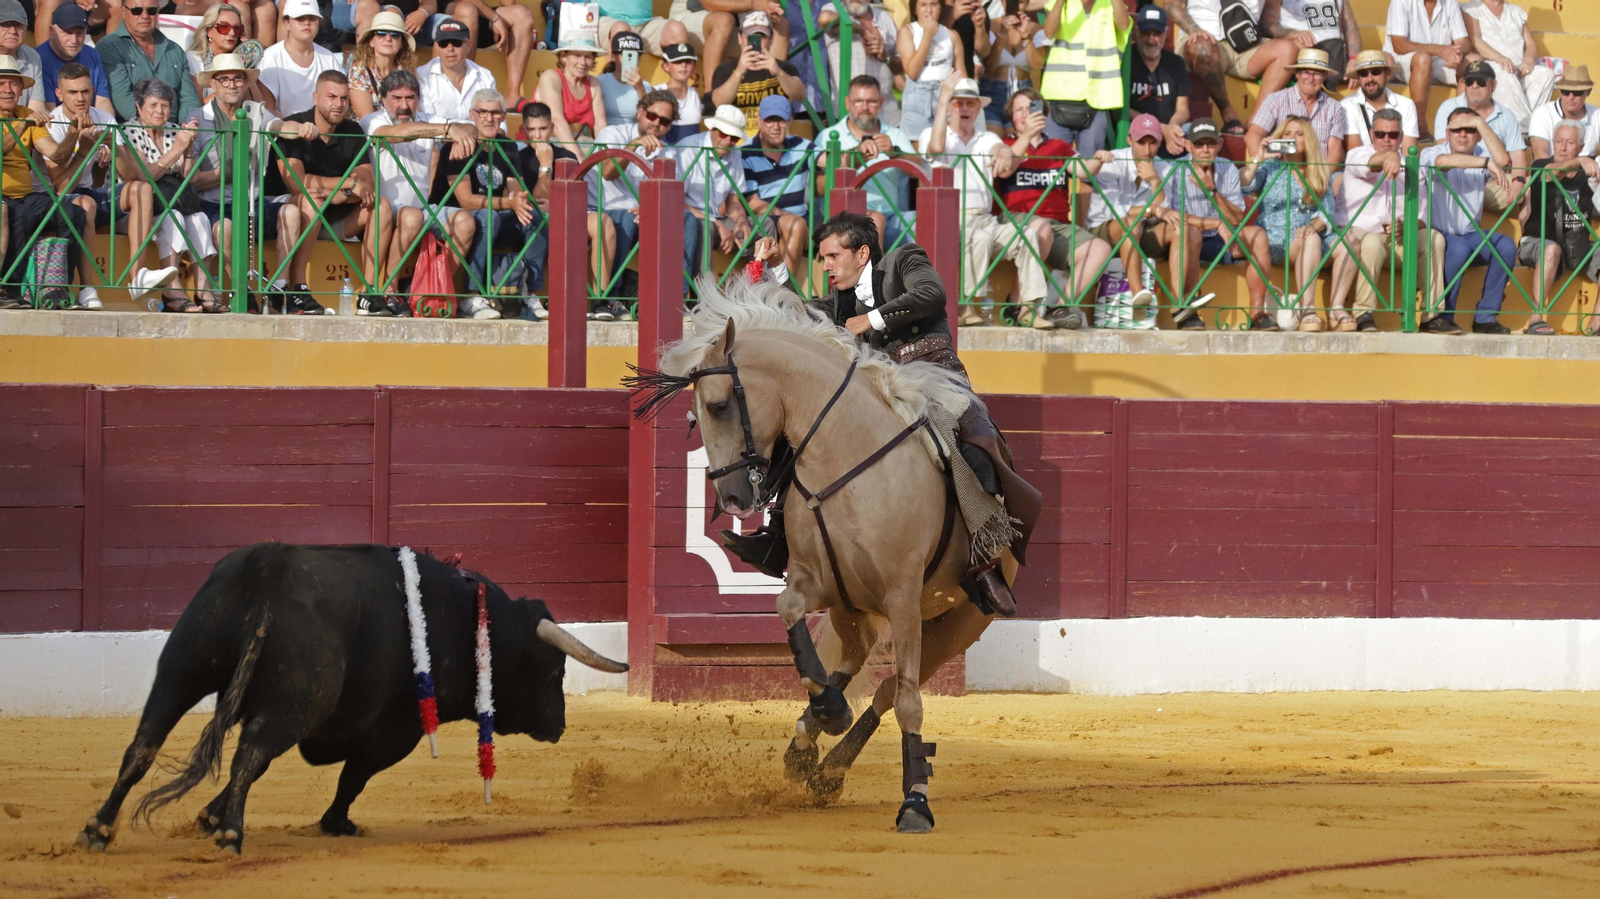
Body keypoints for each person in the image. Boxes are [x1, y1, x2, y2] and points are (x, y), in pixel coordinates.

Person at [724, 210, 1044, 616]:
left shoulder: (904, 259)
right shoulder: (839, 297)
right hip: (880, 387)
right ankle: (776, 537)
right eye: (820, 259)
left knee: (968, 443)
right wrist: (775, 272)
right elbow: (801, 316)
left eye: (831, 257)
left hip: (934, 377)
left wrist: (869, 320)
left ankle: (982, 561)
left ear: (861, 253)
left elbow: (932, 294)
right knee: (807, 438)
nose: (825, 267)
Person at [187, 53, 320, 313]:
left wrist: (303, 128)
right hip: (214, 204)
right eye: (224, 79)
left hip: (252, 202)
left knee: (291, 213)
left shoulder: (256, 113)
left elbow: (281, 125)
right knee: (224, 227)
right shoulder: (196, 119)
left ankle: (278, 288)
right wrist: (226, 172)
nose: (232, 85)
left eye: (238, 79)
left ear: (246, 83)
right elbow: (193, 181)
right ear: (212, 84)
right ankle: (242, 291)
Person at [920, 74, 1046, 327]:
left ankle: (1029, 308)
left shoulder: (987, 137)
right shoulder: (932, 133)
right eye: (958, 103)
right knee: (979, 238)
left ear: (979, 108)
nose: (964, 108)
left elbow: (1000, 153)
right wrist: (943, 98)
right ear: (948, 106)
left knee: (1029, 236)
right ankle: (967, 306)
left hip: (985, 219)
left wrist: (1004, 152)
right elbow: (935, 147)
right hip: (948, 221)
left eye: (970, 103)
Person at [362, 68, 479, 314]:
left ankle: (424, 286)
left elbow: (471, 129)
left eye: (410, 98)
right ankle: (390, 290)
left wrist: (460, 139)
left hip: (424, 212)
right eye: (396, 98)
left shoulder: (428, 118)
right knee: (411, 216)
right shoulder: (373, 120)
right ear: (383, 99)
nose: (404, 105)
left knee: (466, 222)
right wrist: (446, 131)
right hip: (385, 209)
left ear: (418, 99)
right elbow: (396, 135)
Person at [997, 88, 1112, 330]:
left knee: (1099, 248)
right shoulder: (1005, 144)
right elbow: (1005, 169)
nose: (1026, 114)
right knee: (1040, 228)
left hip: (1057, 225)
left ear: (1042, 113)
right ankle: (1019, 304)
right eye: (1019, 110)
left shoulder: (1059, 146)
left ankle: (1060, 306)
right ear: (1012, 116)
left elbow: (1083, 171)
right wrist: (1026, 137)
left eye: (1031, 108)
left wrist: (1099, 158)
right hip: (1016, 220)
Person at [277, 70, 391, 315]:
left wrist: (344, 190)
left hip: (337, 219)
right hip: (296, 208)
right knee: (312, 199)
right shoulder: (295, 125)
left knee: (380, 205)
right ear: (316, 97)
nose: (338, 104)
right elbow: (296, 183)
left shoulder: (352, 129)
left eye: (343, 98)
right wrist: (344, 185)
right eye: (331, 97)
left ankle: (368, 293)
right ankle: (298, 286)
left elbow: (365, 181)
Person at [51, 62, 161, 312]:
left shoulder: (105, 118)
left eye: (85, 91)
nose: (80, 98)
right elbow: (61, 189)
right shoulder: (53, 122)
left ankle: (138, 276)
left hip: (89, 192)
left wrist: (115, 146)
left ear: (92, 90)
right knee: (85, 204)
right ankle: (87, 288)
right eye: (72, 92)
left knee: (142, 190)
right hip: (54, 200)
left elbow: (131, 175)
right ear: (59, 94)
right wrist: (85, 151)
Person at [1328, 107, 1447, 332]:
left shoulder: (1414, 165)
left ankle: (1433, 315)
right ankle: (1363, 312)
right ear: (1372, 135)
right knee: (1372, 241)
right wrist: (1390, 156)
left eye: (1392, 135)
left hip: (1397, 238)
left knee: (1433, 238)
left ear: (1401, 137)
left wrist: (1408, 226)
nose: (1386, 139)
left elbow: (1423, 215)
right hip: (1357, 231)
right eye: (1381, 134)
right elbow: (1372, 165)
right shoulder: (1357, 155)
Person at [117, 78, 223, 313]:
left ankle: (203, 289)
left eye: (164, 105)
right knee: (171, 217)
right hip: (139, 210)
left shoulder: (174, 130)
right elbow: (144, 176)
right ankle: (172, 290)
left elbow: (189, 176)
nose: (159, 111)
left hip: (174, 200)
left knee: (200, 219)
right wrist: (177, 149)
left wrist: (187, 150)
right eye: (153, 105)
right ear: (139, 106)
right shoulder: (130, 131)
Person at [442, 88, 544, 320]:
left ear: (504, 116)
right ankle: (471, 295)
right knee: (489, 216)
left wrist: (518, 200)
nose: (489, 118)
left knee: (534, 216)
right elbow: (466, 200)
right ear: (472, 114)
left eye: (496, 113)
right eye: (483, 112)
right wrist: (506, 202)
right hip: (459, 217)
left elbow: (515, 189)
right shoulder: (457, 147)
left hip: (495, 216)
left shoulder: (507, 146)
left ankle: (531, 293)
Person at [1165, 118, 1272, 331]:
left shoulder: (1227, 167)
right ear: (1188, 146)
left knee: (1258, 235)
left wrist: (1212, 190)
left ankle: (1257, 315)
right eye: (1198, 144)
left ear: (1219, 145)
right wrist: (1215, 223)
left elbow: (1237, 218)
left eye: (1210, 144)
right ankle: (1189, 312)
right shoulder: (1176, 169)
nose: (1205, 150)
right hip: (1188, 238)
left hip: (1222, 239)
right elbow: (1174, 215)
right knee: (1191, 232)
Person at [0, 54, 88, 309]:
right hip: (3, 197)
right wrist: (21, 125)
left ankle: (60, 289)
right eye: (2, 83)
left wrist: (73, 132)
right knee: (20, 215)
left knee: (73, 214)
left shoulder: (27, 113)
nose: (8, 90)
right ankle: (9, 289)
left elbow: (56, 154)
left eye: (13, 84)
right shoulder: (25, 118)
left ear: (21, 89)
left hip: (25, 194)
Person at [1419, 107, 1516, 334]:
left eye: (1470, 129)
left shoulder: (1481, 151)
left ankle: (1485, 317)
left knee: (1506, 246)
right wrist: (1484, 163)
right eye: (1457, 129)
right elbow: (1442, 162)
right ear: (1447, 132)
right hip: (1440, 234)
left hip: (1472, 235)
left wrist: (1480, 123)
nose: (1462, 134)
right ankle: (1441, 316)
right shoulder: (1431, 152)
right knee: (1459, 248)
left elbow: (1503, 161)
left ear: (1478, 134)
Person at [1240, 115, 1338, 331]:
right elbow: (1245, 186)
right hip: (1273, 240)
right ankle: (1308, 310)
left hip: (1305, 238)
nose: (1292, 138)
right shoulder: (1270, 166)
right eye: (1287, 134)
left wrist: (1313, 226)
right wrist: (1258, 158)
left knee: (1340, 242)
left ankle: (1323, 311)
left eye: (1299, 134)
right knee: (1311, 239)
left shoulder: (1318, 171)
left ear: (1308, 141)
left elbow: (1328, 212)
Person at [588, 89, 677, 315]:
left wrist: (651, 207)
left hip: (640, 214)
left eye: (664, 121)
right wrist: (631, 147)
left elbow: (671, 196)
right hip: (602, 209)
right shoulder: (611, 134)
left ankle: (681, 298)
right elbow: (608, 173)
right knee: (626, 219)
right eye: (651, 116)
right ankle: (609, 298)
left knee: (687, 221)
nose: (656, 124)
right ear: (639, 112)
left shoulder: (669, 152)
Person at [811, 74, 917, 248]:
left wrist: (894, 152)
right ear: (847, 103)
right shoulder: (828, 136)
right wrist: (855, 158)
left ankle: (927, 276)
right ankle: (875, 275)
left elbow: (919, 168)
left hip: (892, 216)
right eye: (858, 101)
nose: (865, 107)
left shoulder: (895, 135)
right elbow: (817, 184)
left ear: (881, 103)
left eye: (871, 102)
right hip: (842, 219)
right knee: (875, 220)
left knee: (928, 221)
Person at [1081, 112, 1173, 311]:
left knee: (1180, 228)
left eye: (1153, 143)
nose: (1147, 150)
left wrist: (1155, 181)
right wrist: (1153, 210)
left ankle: (1180, 301)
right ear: (1129, 140)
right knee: (1130, 224)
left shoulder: (1164, 168)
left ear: (1160, 143)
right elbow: (1114, 211)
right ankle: (1137, 293)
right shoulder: (1113, 161)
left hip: (1141, 231)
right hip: (1102, 231)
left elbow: (1167, 212)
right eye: (1141, 142)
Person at [1167, 0, 1299, 137]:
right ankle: (1228, 114)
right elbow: (1171, 5)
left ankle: (1257, 121)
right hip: (1202, 38)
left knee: (1288, 50)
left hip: (1247, 43)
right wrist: (1193, 29)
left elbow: (1268, 23)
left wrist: (1290, 33)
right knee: (1202, 48)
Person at [1517, 121, 1599, 336]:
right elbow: (1551, 173)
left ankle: (1596, 323)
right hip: (1535, 242)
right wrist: (1580, 161)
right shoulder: (1541, 165)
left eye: (1570, 143)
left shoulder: (1589, 175)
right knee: (1551, 249)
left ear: (1580, 146)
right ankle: (1536, 317)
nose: (1562, 148)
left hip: (1577, 248)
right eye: (1559, 141)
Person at [1431, 60, 1528, 211]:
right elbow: (1443, 151)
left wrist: (1518, 181)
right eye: (1469, 81)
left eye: (1481, 82)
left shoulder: (1507, 115)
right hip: (1456, 180)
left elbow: (1517, 156)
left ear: (1493, 86)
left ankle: (1527, 236)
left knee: (1533, 188)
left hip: (1493, 181)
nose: (1474, 86)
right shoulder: (1448, 108)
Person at [1038, 0, 1129, 158]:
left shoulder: (1109, 3)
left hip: (1096, 99)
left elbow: (1123, 25)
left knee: (1089, 171)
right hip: (1059, 96)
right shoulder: (1062, 3)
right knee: (1053, 168)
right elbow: (1049, 32)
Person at [677, 103, 750, 288]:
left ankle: (761, 292)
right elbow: (676, 201)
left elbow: (733, 199)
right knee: (705, 227)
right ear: (712, 129)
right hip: (690, 217)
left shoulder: (735, 153)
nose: (728, 141)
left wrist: (741, 220)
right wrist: (717, 223)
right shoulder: (687, 148)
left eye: (734, 138)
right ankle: (705, 297)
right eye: (724, 134)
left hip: (718, 217)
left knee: (763, 226)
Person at [741, 95, 811, 281]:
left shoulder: (801, 144)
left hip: (799, 217)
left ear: (790, 121)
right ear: (759, 120)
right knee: (796, 224)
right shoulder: (746, 151)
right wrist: (791, 217)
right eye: (770, 120)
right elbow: (752, 203)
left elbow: (830, 161)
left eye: (781, 120)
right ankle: (781, 294)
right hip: (765, 217)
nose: (776, 126)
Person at [1462, 0, 1557, 131]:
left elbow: (1531, 44)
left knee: (1546, 75)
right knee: (1504, 71)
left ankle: (1533, 125)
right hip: (1492, 64)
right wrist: (1499, 58)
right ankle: (1522, 129)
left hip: (1518, 68)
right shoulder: (1472, 9)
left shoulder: (1516, 11)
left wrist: (1528, 60)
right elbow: (1474, 40)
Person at [1384, 0, 1470, 142]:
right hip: (1400, 59)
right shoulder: (1401, 2)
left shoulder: (1450, 3)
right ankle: (1419, 126)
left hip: (1437, 59)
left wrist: (1458, 54)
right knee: (1423, 59)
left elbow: (1464, 41)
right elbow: (1399, 45)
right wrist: (1439, 49)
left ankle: (1460, 125)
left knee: (1472, 63)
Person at [1245, 47, 1346, 165]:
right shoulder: (1276, 100)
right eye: (1306, 72)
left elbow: (1335, 155)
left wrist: (1318, 179)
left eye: (1317, 73)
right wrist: (1269, 171)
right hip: (1280, 171)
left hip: (1320, 175)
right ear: (1297, 74)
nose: (1311, 78)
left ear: (1324, 76)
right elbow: (1252, 136)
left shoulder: (1334, 107)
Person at [709, 12, 802, 136]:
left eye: (761, 37)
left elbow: (800, 94)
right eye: (750, 37)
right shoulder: (725, 69)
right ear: (740, 38)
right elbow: (719, 102)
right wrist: (739, 71)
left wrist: (778, 72)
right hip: (736, 142)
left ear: (771, 39)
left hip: (773, 140)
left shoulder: (784, 68)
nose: (755, 43)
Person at [818, 0, 901, 128]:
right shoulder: (835, 8)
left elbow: (900, 67)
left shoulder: (885, 18)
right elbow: (824, 19)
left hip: (888, 114)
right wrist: (863, 30)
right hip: (851, 114)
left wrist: (885, 56)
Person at [257, 0, 343, 117]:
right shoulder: (270, 58)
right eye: (300, 18)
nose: (307, 23)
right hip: (283, 132)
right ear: (287, 23)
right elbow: (266, 110)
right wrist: (295, 129)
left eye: (312, 18)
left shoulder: (328, 58)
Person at [1128, 4, 1191, 159]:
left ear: (1165, 33)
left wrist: (1173, 128)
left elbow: (1183, 110)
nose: (1151, 40)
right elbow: (1120, 111)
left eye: (1156, 33)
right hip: (1138, 134)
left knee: (1198, 133)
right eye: (1145, 33)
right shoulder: (1127, 61)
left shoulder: (1176, 63)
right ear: (1136, 32)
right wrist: (1161, 129)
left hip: (1170, 132)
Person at [446, 0, 535, 107]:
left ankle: (512, 95)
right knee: (467, 9)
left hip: (480, 13)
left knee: (522, 14)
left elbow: (509, 3)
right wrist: (494, 18)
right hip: (449, 15)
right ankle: (463, 90)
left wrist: (495, 20)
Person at [896, 0, 962, 141]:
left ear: (940, 8)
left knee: (949, 143)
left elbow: (962, 77)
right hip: (917, 94)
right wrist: (927, 36)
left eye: (934, 4)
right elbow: (912, 72)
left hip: (946, 93)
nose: (929, 10)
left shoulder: (952, 35)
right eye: (923, 5)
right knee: (916, 145)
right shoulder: (907, 31)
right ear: (915, 9)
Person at [1259, 0, 1362, 87]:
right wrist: (1291, 34)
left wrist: (1354, 59)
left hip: (1335, 60)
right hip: (1299, 58)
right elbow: (1266, 25)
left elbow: (1350, 27)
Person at [979, 4, 1045, 135]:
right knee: (993, 143)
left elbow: (1037, 65)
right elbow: (990, 65)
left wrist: (1026, 36)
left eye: (1021, 1)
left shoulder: (1037, 28)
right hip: (992, 93)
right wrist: (1002, 33)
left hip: (1024, 92)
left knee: (1023, 144)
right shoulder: (991, 25)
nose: (1017, 4)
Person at [187, 4, 272, 107]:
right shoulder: (195, 59)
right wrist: (229, 91)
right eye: (224, 27)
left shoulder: (240, 60)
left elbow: (258, 104)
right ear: (209, 31)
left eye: (237, 29)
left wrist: (244, 65)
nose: (231, 33)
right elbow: (197, 104)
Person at [535, 26, 604, 149]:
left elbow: (600, 124)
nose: (583, 62)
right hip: (550, 144)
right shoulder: (551, 77)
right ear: (563, 56)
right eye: (577, 55)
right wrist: (578, 158)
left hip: (586, 144)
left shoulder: (594, 83)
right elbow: (556, 120)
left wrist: (605, 155)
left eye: (588, 57)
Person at [417, 18, 494, 124]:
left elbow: (496, 121)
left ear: (468, 45)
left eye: (456, 42)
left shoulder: (485, 76)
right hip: (439, 139)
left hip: (481, 139)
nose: (450, 48)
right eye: (443, 43)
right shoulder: (422, 76)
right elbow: (427, 122)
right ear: (437, 47)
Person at [36, 4, 110, 114]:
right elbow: (49, 109)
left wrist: (105, 129)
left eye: (79, 33)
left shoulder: (93, 55)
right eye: (67, 33)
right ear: (52, 31)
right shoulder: (39, 58)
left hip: (91, 122)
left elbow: (103, 103)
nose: (74, 40)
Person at [1341, 50, 1419, 151]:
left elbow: (1410, 154)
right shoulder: (1347, 106)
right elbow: (1355, 158)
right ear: (1359, 78)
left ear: (1388, 74)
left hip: (1399, 166)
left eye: (1375, 72)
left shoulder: (1406, 105)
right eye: (1364, 73)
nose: (1369, 79)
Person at [348, 9, 417, 119]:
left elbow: (414, 112)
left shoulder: (406, 72)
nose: (388, 38)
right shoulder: (359, 70)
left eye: (395, 34)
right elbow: (367, 119)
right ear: (371, 41)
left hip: (402, 130)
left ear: (402, 44)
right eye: (381, 33)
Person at [1529, 66, 1600, 161]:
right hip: (1551, 172)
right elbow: (1540, 154)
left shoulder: (1597, 115)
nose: (1571, 97)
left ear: (1588, 92)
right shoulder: (1543, 114)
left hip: (1586, 173)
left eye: (1577, 92)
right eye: (1566, 91)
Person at [0, 0, 49, 116]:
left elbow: (36, 108)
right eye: (6, 25)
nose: (13, 31)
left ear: (26, 28)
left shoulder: (32, 56)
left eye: (18, 26)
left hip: (22, 126)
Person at [648, 42, 702, 144]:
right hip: (664, 155)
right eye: (677, 61)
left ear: (694, 67)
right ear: (665, 67)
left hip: (693, 157)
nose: (683, 65)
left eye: (688, 61)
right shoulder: (654, 91)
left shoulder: (696, 95)